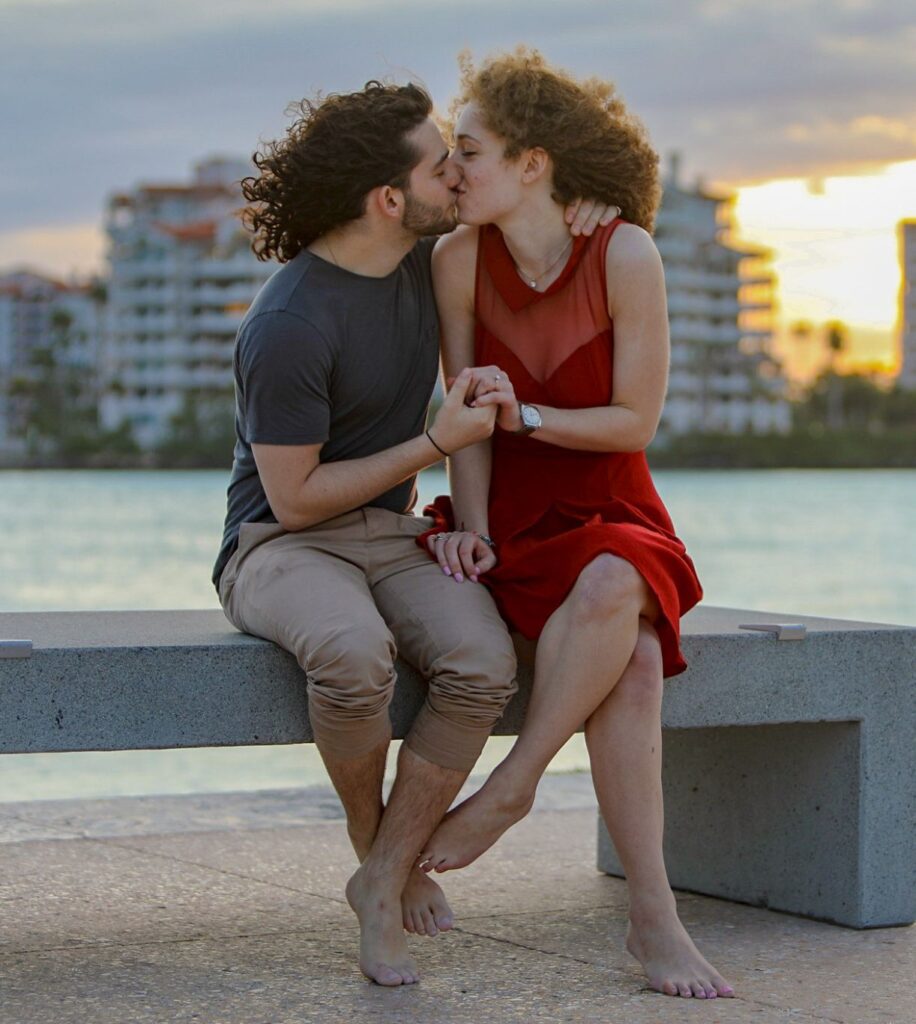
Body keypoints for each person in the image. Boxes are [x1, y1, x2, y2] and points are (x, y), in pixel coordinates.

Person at [212, 80, 612, 988]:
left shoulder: (430, 263)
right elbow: (294, 499)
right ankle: (376, 854)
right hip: (278, 544)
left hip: (392, 533)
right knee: (355, 656)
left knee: (483, 662)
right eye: (442, 166)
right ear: (390, 200)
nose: (457, 177)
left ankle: (384, 872)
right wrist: (436, 442)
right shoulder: (287, 323)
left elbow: (533, 226)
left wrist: (592, 202)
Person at [416, 49, 735, 1000]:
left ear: (533, 163)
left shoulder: (626, 254)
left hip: (615, 514)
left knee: (613, 577)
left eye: (469, 150)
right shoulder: (457, 259)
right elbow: (465, 418)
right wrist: (474, 528)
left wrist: (527, 415)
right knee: (632, 660)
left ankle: (513, 786)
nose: (451, 167)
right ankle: (654, 919)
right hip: (514, 524)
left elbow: (635, 422)